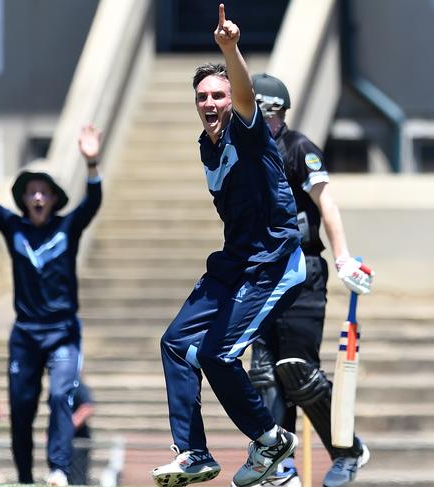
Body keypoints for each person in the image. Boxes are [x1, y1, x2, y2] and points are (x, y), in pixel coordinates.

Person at [153, 5, 307, 487]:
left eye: (218, 94)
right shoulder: (207, 144)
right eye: (202, 96)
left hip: (271, 262)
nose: (210, 101)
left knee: (218, 354)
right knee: (177, 345)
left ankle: (269, 438)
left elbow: (244, 98)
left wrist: (230, 49)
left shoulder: (248, 130)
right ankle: (194, 453)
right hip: (233, 263)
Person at [0, 120, 103, 487]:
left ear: (53, 198)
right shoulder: (14, 229)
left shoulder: (68, 227)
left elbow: (93, 201)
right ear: (25, 198)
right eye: (32, 192)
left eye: (44, 192)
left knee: (63, 393)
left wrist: (92, 163)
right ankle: (27, 478)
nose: (38, 198)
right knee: (21, 409)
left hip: (63, 331)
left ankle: (58, 469)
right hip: (26, 334)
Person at [247, 74, 374, 487]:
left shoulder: (299, 148)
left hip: (302, 271)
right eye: (258, 112)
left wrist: (342, 259)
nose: (267, 120)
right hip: (261, 275)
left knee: (297, 371)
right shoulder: (242, 153)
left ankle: (347, 450)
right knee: (264, 375)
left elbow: (327, 203)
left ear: (282, 114)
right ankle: (278, 467)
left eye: (273, 113)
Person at [69, 380, 95, 486]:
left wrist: (65, 429)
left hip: (77, 441)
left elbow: (87, 408)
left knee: (77, 480)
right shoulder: (61, 385)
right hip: (66, 441)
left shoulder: (77, 385)